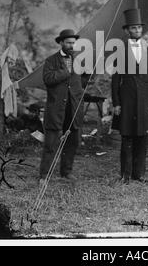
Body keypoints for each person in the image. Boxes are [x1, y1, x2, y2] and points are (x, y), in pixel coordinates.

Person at [111, 9, 148, 184]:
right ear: (127, 31)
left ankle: (140, 174)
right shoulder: (120, 51)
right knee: (127, 137)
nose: (137, 31)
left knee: (143, 138)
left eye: (139, 28)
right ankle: (125, 174)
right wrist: (116, 102)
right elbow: (115, 80)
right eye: (133, 28)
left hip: (145, 100)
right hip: (127, 100)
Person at [39, 29, 87, 185]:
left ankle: (66, 172)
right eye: (68, 43)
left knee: (72, 141)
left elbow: (84, 79)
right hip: (56, 108)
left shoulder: (79, 60)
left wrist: (78, 93)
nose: (72, 45)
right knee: (51, 142)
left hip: (73, 107)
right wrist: (66, 71)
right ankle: (44, 175)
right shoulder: (51, 60)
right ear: (61, 42)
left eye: (73, 43)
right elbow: (48, 79)